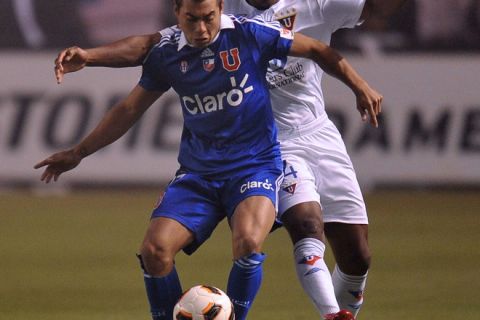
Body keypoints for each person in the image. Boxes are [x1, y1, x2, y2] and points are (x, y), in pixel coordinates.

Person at [36, 1, 382, 320]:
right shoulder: (169, 52)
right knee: (155, 251)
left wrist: (359, 85)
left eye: (208, 18)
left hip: (255, 166)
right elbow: (129, 107)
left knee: (248, 243)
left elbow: (318, 49)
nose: (201, 29)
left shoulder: (249, 33)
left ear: (220, 9)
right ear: (176, 14)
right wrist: (77, 152)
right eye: (191, 20)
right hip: (199, 174)